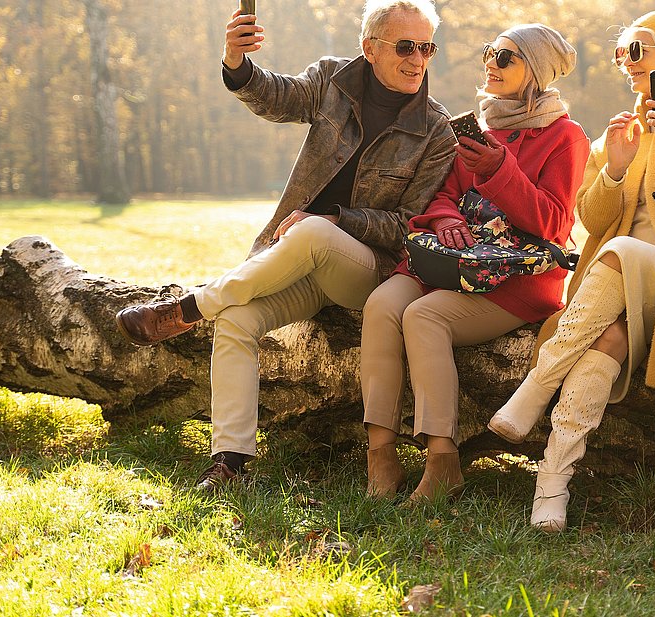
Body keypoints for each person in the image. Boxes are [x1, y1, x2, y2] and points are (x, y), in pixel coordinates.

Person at [113, 0, 457, 491]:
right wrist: (237, 64)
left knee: (313, 231)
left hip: (367, 272)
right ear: (370, 49)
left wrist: (334, 217)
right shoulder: (333, 82)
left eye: (427, 47)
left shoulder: (436, 131)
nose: (418, 58)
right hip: (298, 262)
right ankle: (230, 462)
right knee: (236, 320)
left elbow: (406, 228)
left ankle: (190, 307)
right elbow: (275, 96)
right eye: (406, 46)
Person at [485, 2, 655, 531]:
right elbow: (589, 218)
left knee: (625, 252)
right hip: (610, 292)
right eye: (621, 53)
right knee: (607, 342)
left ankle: (535, 388)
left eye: (636, 50)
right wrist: (613, 169)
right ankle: (552, 484)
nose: (626, 63)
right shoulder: (622, 127)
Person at [360, 24, 589, 504]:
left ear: (537, 71)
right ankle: (380, 451)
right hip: (450, 262)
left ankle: (443, 460)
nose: (492, 63)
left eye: (506, 57)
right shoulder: (479, 129)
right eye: (490, 52)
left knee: (424, 316)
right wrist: (443, 219)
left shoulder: (566, 137)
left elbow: (552, 222)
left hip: (514, 280)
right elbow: (444, 195)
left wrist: (499, 172)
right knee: (382, 305)